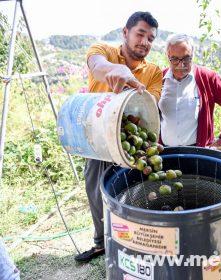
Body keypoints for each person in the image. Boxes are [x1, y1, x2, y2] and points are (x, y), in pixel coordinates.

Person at [75, 11, 162, 263]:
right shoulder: (103, 50)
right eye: (140, 34)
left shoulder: (154, 72)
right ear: (125, 32)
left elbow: (150, 103)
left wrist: (131, 84)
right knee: (95, 189)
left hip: (130, 142)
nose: (145, 42)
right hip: (97, 140)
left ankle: (133, 241)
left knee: (133, 191)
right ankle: (102, 242)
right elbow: (97, 65)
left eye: (151, 39)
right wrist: (114, 70)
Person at [159, 34, 221, 150]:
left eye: (186, 58)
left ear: (193, 56)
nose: (181, 64)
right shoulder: (159, 79)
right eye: (174, 59)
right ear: (168, 56)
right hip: (166, 154)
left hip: (198, 154)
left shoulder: (207, 78)